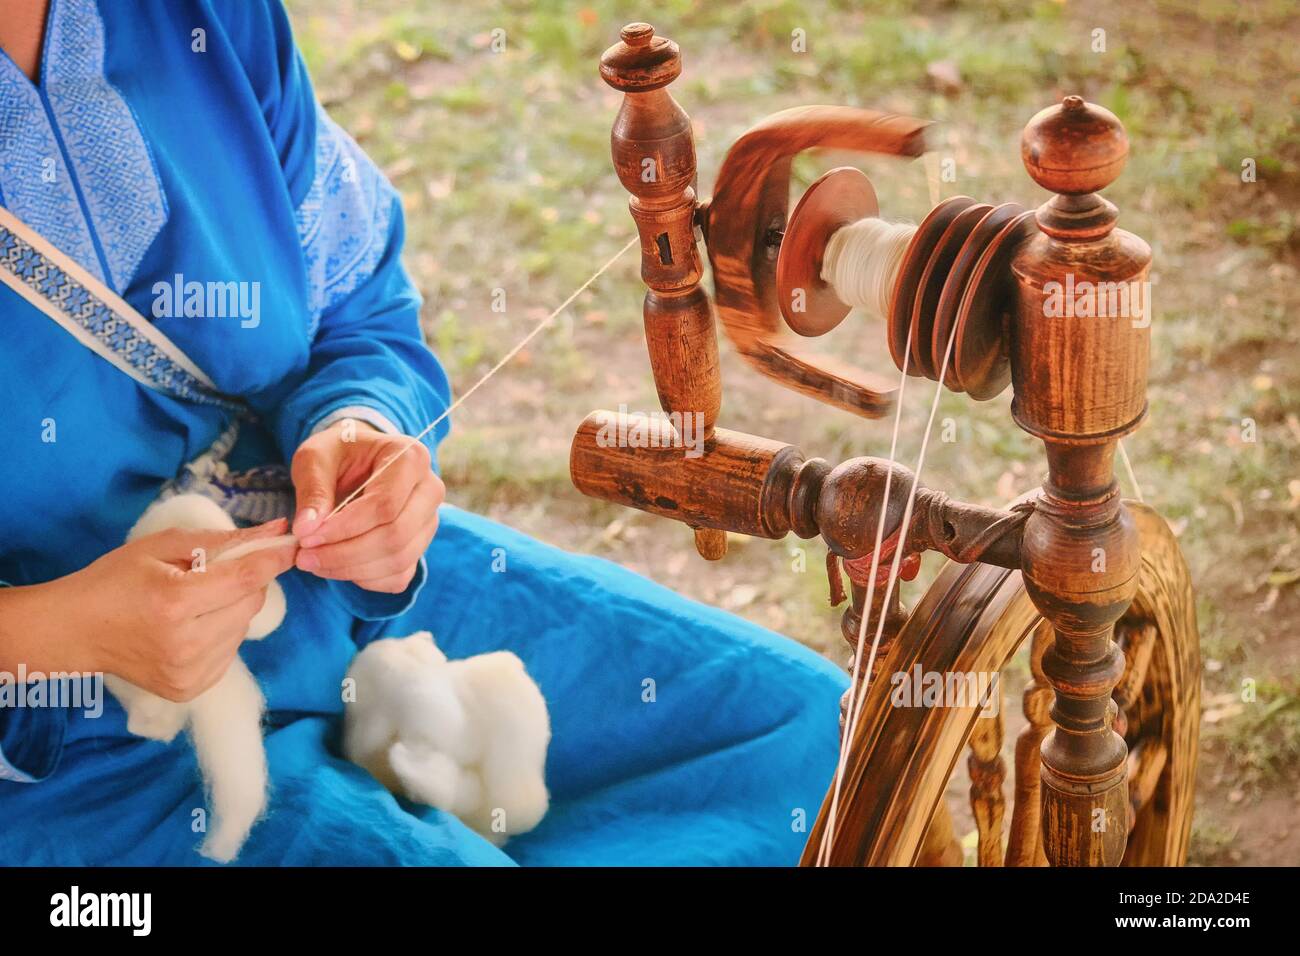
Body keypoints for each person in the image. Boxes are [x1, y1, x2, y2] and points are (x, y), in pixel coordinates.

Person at [0, 0, 846, 865]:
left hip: (329, 580)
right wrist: (56, 633)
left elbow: (356, 306)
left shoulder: (210, 19)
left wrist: (361, 429)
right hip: (70, 759)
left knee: (807, 737)